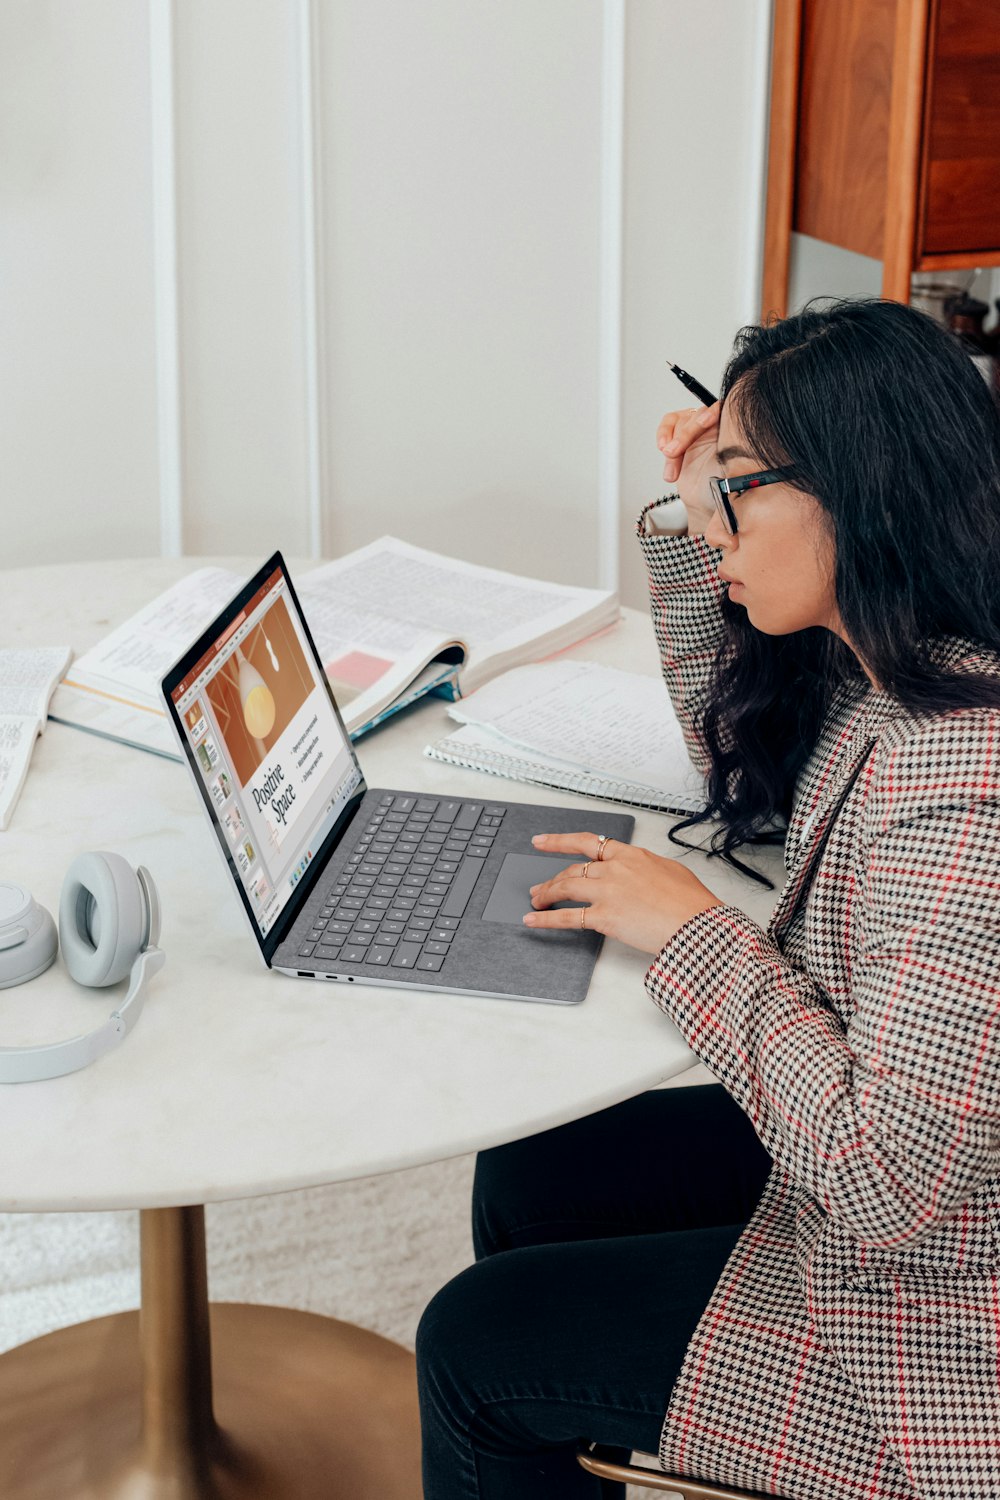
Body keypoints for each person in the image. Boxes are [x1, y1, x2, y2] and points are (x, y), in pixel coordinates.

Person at [415, 298, 1000, 1500]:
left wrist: (693, 933)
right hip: (916, 1190)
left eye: (734, 484)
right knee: (531, 1175)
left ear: (859, 488)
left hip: (937, 1323)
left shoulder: (966, 787)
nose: (708, 512)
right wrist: (699, 522)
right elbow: (734, 744)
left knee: (476, 1347)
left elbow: (884, 1185)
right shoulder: (907, 655)